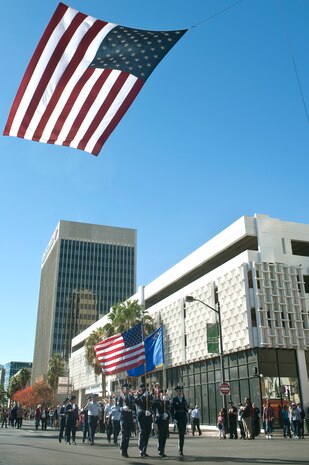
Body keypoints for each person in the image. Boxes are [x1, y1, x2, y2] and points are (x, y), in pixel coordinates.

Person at [135, 383, 154, 457]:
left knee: (147, 433)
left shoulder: (149, 396)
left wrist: (150, 411)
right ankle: (140, 448)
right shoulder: (138, 395)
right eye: (142, 388)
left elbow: (152, 405)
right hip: (141, 415)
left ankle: (144, 449)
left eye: (145, 388)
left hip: (148, 415)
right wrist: (143, 396)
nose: (144, 389)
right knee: (142, 431)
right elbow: (137, 402)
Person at [171, 385, 189, 456]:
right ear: (176, 392)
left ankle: (181, 448)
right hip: (178, 417)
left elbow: (186, 408)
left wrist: (189, 410)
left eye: (181, 391)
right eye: (179, 391)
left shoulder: (183, 399)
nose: (180, 392)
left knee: (182, 433)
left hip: (183, 417)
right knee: (181, 432)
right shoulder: (174, 400)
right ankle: (180, 450)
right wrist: (173, 418)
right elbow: (172, 410)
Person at [118, 383, 135, 458]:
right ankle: (122, 449)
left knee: (128, 435)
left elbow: (133, 406)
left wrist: (130, 407)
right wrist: (122, 408)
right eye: (126, 388)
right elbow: (118, 407)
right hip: (123, 417)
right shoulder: (120, 397)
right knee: (124, 434)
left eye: (128, 389)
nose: (128, 390)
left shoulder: (131, 397)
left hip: (129, 416)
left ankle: (126, 450)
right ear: (123, 389)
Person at [154, 389, 171, 457]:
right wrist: (161, 415)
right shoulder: (157, 401)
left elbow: (169, 410)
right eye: (162, 393)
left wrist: (167, 415)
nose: (163, 395)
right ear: (159, 394)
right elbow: (156, 411)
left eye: (164, 393)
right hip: (160, 420)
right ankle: (160, 449)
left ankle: (162, 449)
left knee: (164, 435)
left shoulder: (167, 402)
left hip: (165, 420)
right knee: (161, 435)